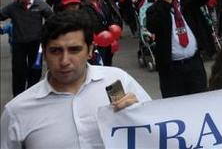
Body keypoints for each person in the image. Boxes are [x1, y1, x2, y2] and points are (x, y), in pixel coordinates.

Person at [0, 10, 151, 149]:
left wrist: (139, 115)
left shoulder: (118, 80)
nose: (65, 60)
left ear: (90, 50)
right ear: (44, 54)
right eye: (55, 51)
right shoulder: (17, 112)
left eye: (74, 50)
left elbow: (159, 132)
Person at [146, 0, 214, 98]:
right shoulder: (155, 9)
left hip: (194, 63)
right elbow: (152, 26)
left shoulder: (188, 1)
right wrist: (165, 4)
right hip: (171, 69)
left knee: (200, 100)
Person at [0, 0, 53, 97]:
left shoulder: (40, 5)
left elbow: (52, 18)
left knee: (35, 71)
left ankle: (31, 94)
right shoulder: (12, 7)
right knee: (18, 71)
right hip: (18, 44)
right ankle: (18, 97)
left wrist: (45, 31)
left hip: (36, 44)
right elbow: (1, 15)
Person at [82, 0, 120, 66]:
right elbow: (90, 23)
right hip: (97, 38)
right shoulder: (85, 7)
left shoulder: (103, 4)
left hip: (108, 36)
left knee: (108, 59)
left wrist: (112, 27)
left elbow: (109, 17)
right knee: (100, 61)